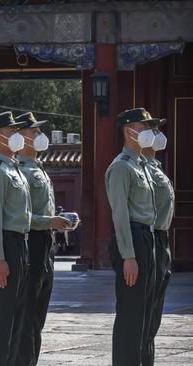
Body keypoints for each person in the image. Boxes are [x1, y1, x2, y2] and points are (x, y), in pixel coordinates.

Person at [14, 112, 71, 365]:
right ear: (20, 136)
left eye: (39, 131)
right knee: (26, 313)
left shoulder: (39, 168)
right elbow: (19, 216)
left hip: (46, 243)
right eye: (34, 132)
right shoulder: (20, 171)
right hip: (30, 243)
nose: (39, 136)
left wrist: (58, 221)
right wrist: (49, 222)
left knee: (38, 315)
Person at [105, 107, 158, 366]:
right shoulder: (121, 167)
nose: (150, 131)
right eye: (144, 126)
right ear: (129, 130)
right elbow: (121, 214)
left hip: (147, 238)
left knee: (145, 312)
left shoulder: (141, 164)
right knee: (131, 314)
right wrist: (128, 255)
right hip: (133, 240)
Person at [0, 111, 32, 366]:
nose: (17, 136)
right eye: (12, 132)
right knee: (2, 320)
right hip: (5, 246)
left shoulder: (14, 169)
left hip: (19, 244)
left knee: (17, 319)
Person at [142, 118, 175, 366]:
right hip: (149, 237)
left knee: (154, 312)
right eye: (151, 130)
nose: (157, 134)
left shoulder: (155, 166)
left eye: (157, 129)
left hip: (161, 238)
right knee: (143, 313)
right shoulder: (139, 169)